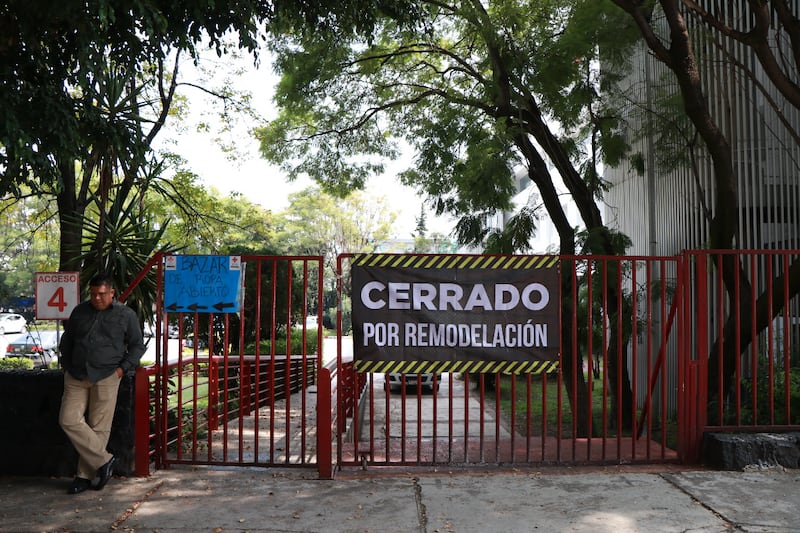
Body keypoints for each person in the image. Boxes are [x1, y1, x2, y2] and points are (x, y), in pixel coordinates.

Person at [58, 273, 146, 495]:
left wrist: (121, 369)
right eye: (94, 294)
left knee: (99, 426)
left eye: (102, 294)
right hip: (76, 374)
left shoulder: (126, 315)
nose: (97, 298)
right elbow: (67, 340)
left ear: (112, 293)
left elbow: (137, 345)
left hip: (107, 375)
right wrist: (66, 364)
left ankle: (84, 477)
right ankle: (105, 460)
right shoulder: (80, 311)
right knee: (68, 419)